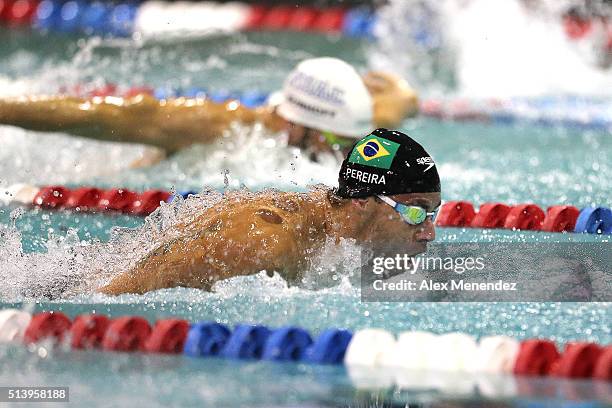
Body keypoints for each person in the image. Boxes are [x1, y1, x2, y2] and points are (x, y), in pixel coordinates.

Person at [100, 128, 441, 295]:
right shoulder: (265, 239)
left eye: (433, 214)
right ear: (363, 201)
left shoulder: (345, 244)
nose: (429, 233)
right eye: (416, 212)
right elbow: (114, 293)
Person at [0, 58, 419, 165]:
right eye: (333, 142)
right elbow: (93, 113)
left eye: (351, 145)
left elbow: (401, 102)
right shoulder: (217, 126)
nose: (342, 154)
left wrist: (403, 93)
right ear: (295, 122)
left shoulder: (350, 122)